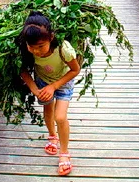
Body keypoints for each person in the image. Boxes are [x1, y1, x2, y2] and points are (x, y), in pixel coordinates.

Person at [18, 11, 80, 176]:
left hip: (63, 82)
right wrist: (34, 89)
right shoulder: (26, 48)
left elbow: (75, 70)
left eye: (40, 46)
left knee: (60, 117)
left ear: (51, 38)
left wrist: (54, 86)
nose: (36, 51)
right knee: (48, 110)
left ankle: (64, 153)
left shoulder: (63, 49)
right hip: (42, 82)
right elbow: (23, 71)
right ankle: (53, 136)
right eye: (32, 47)